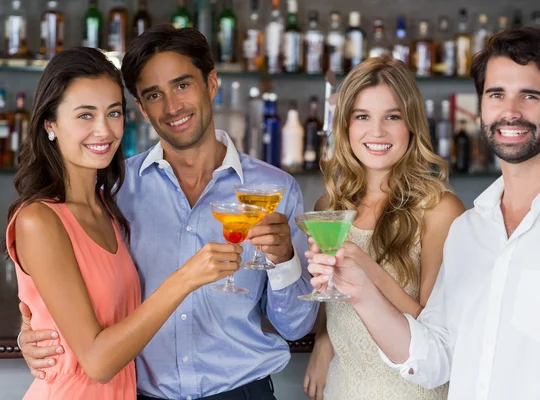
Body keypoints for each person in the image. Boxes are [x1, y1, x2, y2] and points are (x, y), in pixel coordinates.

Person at [16, 25, 319, 400]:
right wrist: (39, 330)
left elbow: (295, 326)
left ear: (211, 83)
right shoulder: (115, 193)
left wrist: (285, 258)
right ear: (141, 108)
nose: (172, 106)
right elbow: (84, 292)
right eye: (154, 94)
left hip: (243, 392)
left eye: (182, 85)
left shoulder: (275, 190)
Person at [308, 28, 540, 399]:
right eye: (496, 95)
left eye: (529, 95)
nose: (509, 111)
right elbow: (434, 356)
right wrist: (358, 289)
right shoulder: (471, 230)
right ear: (480, 107)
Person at [5, 47, 243, 399]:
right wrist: (186, 279)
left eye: (113, 112)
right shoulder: (38, 220)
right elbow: (98, 363)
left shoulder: (110, 206)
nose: (103, 130)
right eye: (85, 115)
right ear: (49, 124)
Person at [302, 55, 465, 400]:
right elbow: (332, 301)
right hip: (341, 387)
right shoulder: (328, 209)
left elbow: (434, 333)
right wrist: (323, 341)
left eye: (392, 117)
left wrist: (366, 267)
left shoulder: (439, 210)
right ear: (346, 126)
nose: (377, 132)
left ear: (412, 125)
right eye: (362, 117)